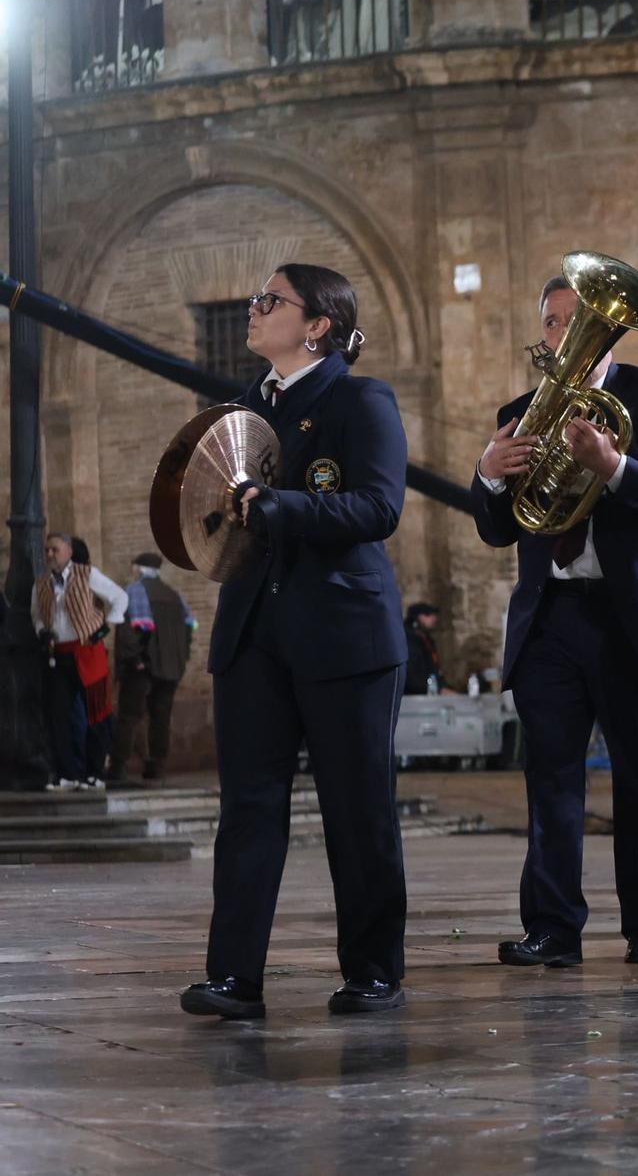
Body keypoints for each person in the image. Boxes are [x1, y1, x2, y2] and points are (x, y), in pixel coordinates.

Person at [180, 263, 412, 1020]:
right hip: (255, 631)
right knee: (247, 807)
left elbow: (378, 506)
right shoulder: (245, 406)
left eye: (269, 300)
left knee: (358, 808)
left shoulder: (359, 397)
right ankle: (235, 977)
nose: (253, 309)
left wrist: (279, 506)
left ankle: (373, 969)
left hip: (342, 630)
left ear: (317, 324)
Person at [476, 272, 638, 971]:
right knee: (549, 779)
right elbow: (499, 528)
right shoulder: (521, 410)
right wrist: (490, 472)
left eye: (571, 321)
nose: (559, 335)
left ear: (608, 330)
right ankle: (552, 926)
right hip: (552, 616)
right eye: (551, 322)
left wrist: (614, 466)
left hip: (632, 616)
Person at [32, 532, 126, 791]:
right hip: (58, 654)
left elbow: (120, 597)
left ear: (69, 552)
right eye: (47, 550)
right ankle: (67, 774)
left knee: (97, 713)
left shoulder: (87, 575)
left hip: (88, 651)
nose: (50, 554)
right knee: (58, 716)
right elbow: (37, 614)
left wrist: (107, 627)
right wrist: (43, 631)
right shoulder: (41, 583)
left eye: (55, 550)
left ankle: (95, 773)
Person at [110, 552, 194, 785]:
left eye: (134, 568)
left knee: (129, 716)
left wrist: (134, 659)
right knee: (161, 719)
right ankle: (157, 767)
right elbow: (189, 628)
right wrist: (180, 660)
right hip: (170, 669)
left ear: (139, 570)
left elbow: (131, 629)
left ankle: (118, 766)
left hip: (143, 668)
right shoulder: (175, 596)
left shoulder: (136, 590)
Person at [403, 603, 442, 696]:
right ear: (417, 617)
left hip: (429, 691)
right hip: (413, 696)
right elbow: (411, 676)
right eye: (428, 615)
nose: (434, 618)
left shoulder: (427, 639)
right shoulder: (408, 639)